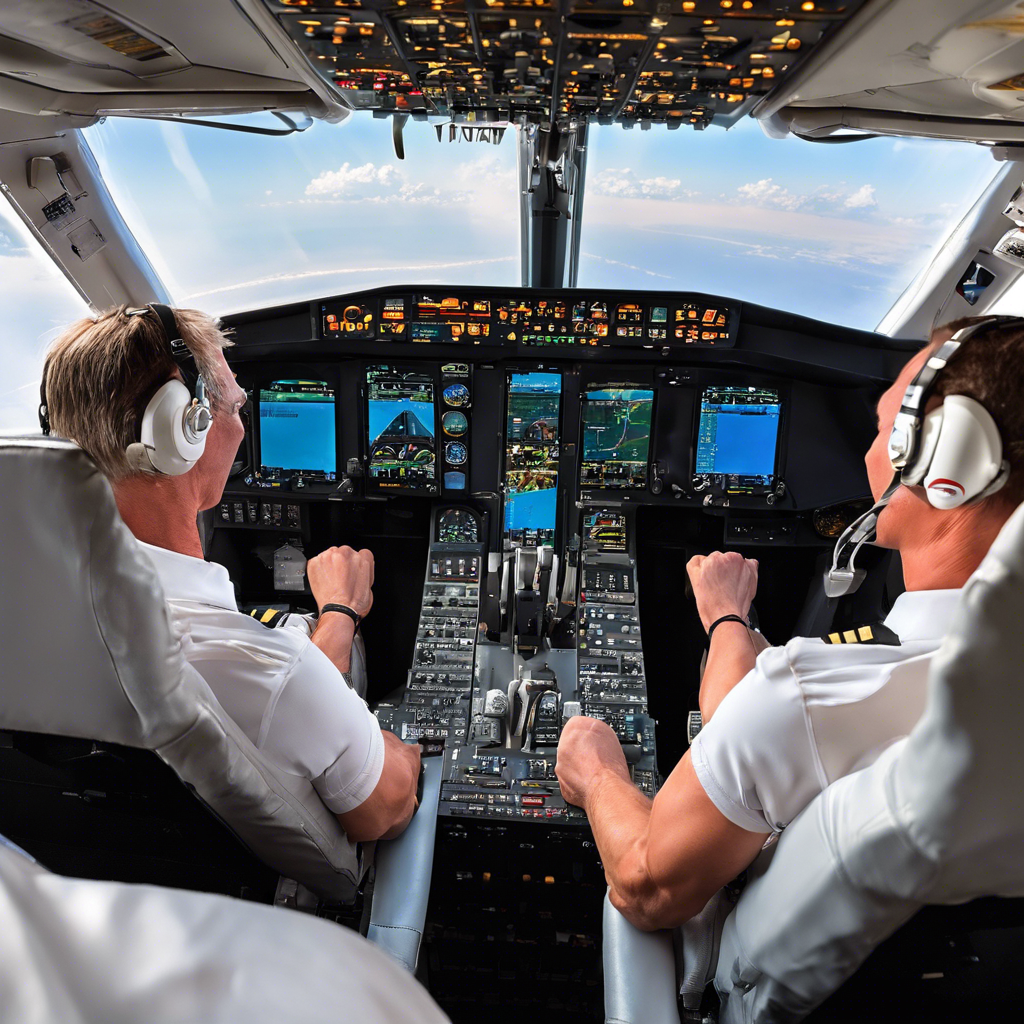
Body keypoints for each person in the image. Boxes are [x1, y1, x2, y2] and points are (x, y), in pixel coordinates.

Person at [556, 316, 1024, 931]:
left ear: (948, 461)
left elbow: (646, 889)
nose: (870, 448)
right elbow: (755, 727)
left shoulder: (810, 694)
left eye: (887, 427)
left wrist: (597, 775)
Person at [42, 304, 420, 843]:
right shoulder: (267, 672)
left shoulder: (28, 619)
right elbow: (385, 810)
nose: (241, 428)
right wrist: (340, 616)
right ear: (183, 430)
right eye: (235, 407)